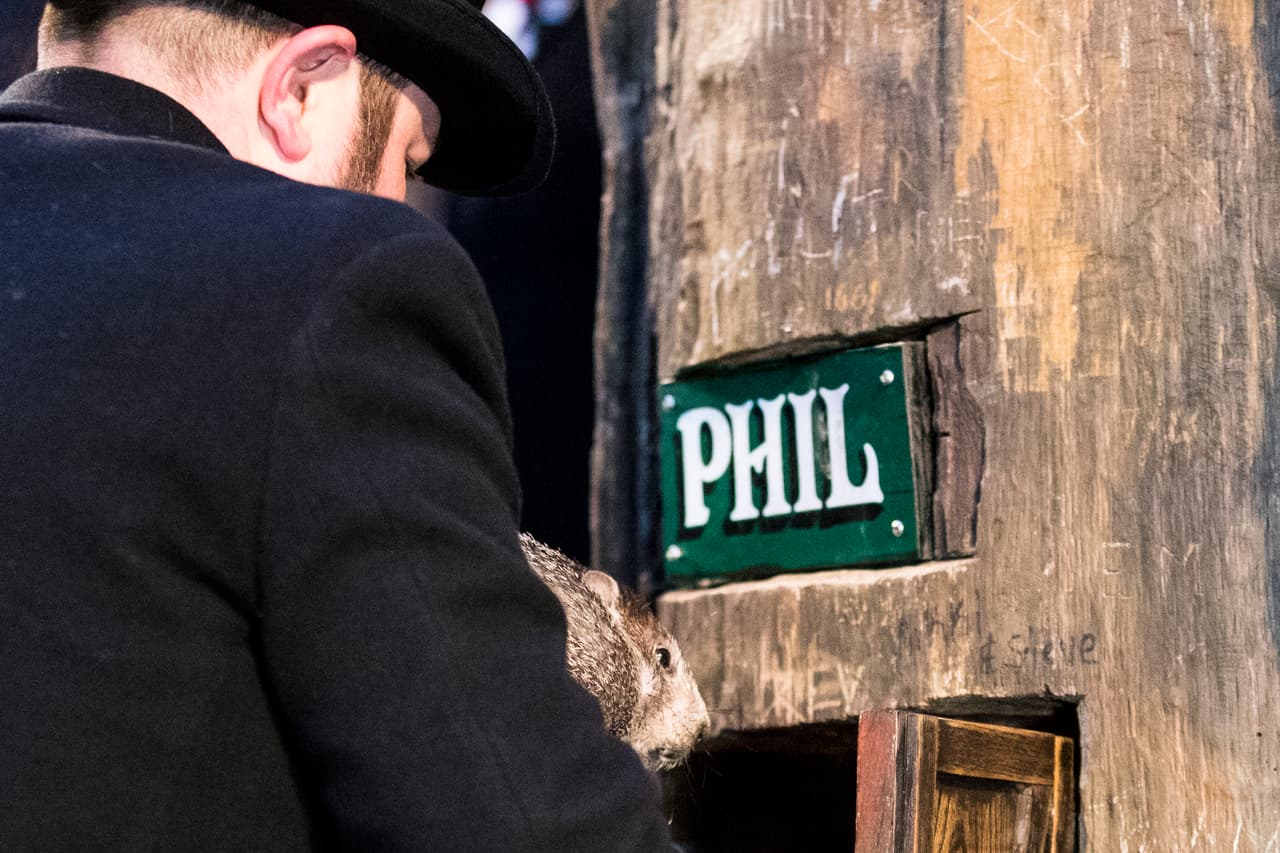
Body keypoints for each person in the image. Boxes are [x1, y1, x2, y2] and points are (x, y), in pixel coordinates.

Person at [0, 2, 672, 851]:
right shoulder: (328, 283)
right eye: (406, 161)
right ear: (300, 89)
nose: (400, 203)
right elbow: (520, 821)